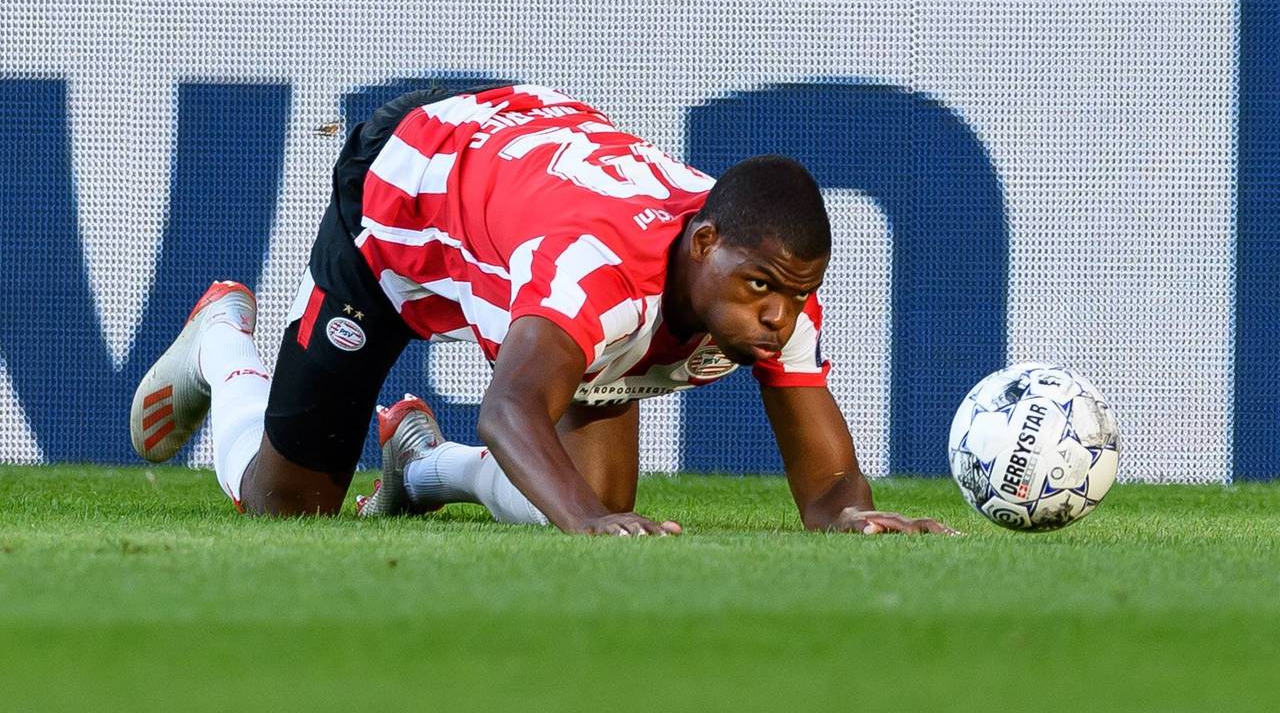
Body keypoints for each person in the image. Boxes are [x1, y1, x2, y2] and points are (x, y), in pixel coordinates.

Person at [129, 84, 956, 537]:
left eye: (796, 294)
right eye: (763, 289)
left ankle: (418, 467)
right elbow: (509, 409)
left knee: (596, 495)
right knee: (287, 508)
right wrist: (587, 525)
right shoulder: (594, 276)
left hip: (522, 190)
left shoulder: (767, 279)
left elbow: (829, 492)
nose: (778, 316)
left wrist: (854, 515)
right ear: (704, 246)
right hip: (409, 193)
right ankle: (223, 343)